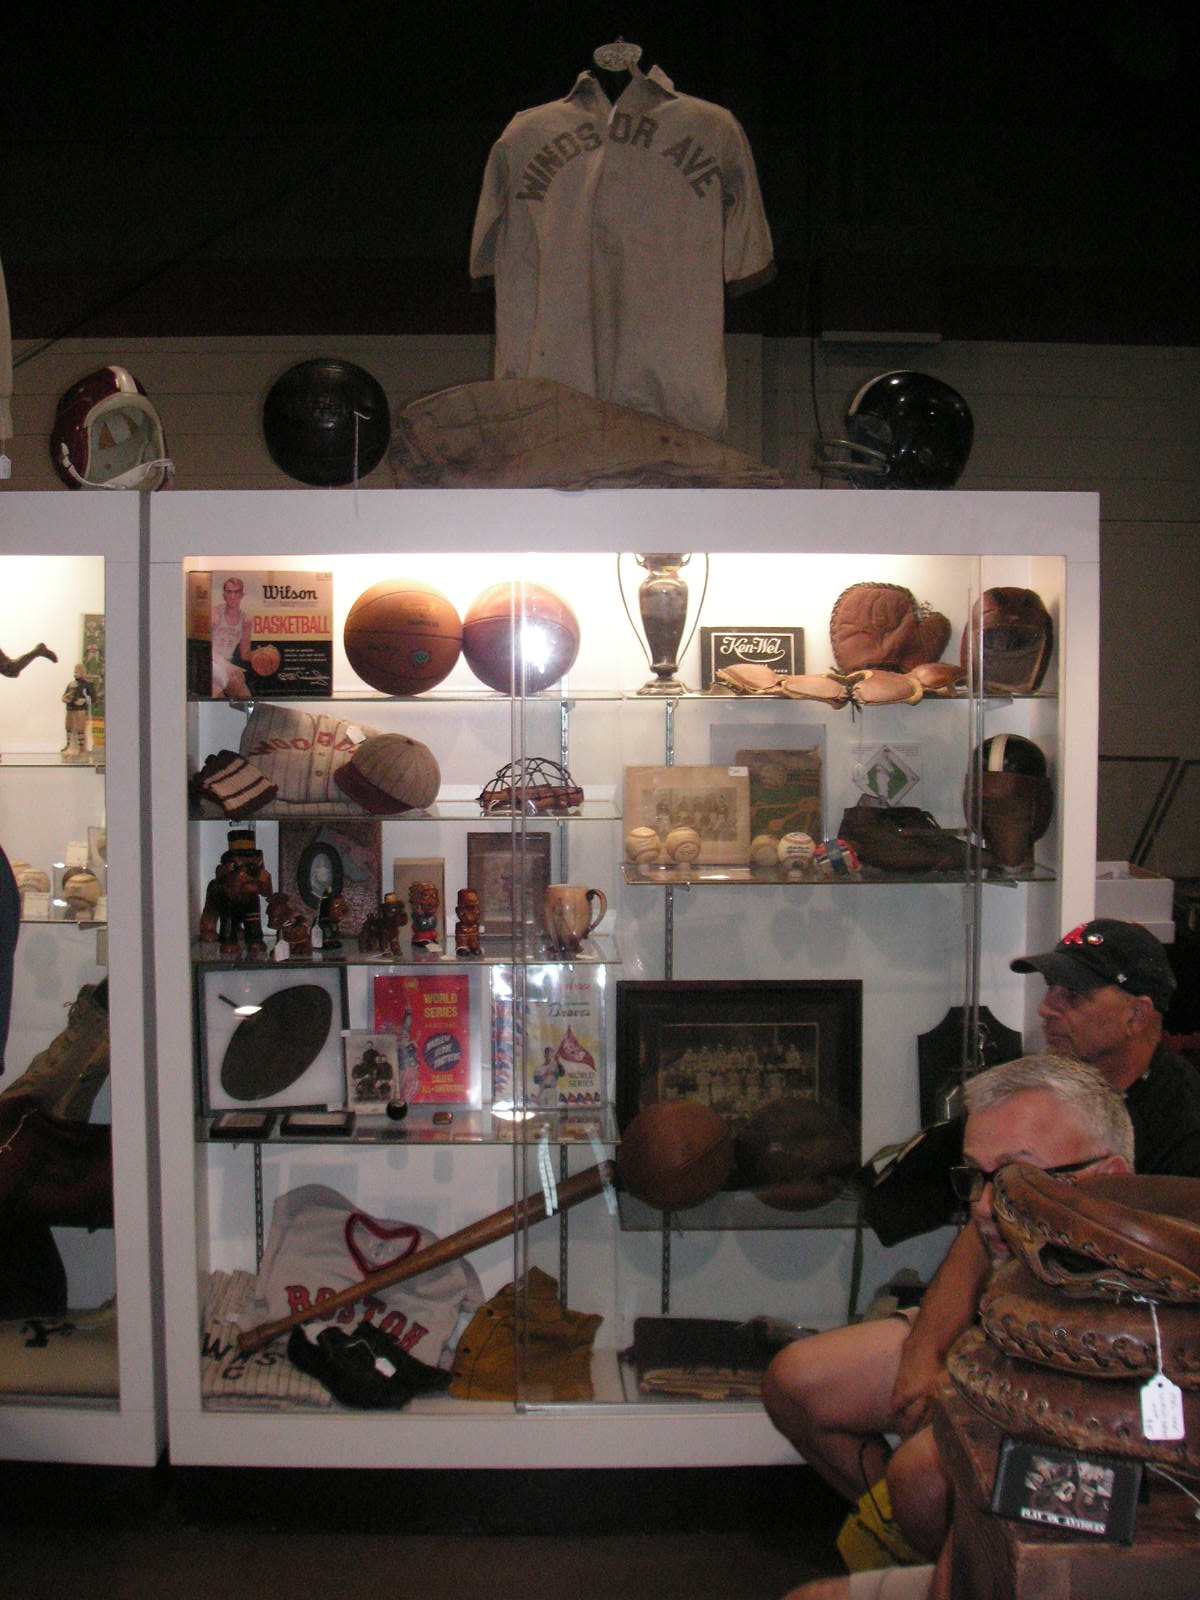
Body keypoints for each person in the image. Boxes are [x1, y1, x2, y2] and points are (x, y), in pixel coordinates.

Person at [762, 1052, 1135, 1593]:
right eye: (976, 1178)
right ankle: (902, 1535)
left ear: (1109, 1179)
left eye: (1017, 1176)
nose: (983, 1207)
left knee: (922, 1474)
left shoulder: (1138, 1323)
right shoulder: (1030, 1262)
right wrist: (928, 1356)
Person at [1011, 917, 1200, 1175]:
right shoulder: (1043, 1089)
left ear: (1136, 1016)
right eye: (1051, 988)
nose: (1045, 1009)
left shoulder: (1181, 1130)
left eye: (1074, 994)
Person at [211, 575, 253, 700]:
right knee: (215, 698)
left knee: (247, 700)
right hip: (211, 663)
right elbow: (205, 648)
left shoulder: (245, 620)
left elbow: (245, 654)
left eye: (236, 592)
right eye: (229, 592)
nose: (232, 596)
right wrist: (226, 665)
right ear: (224, 595)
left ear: (242, 595)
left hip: (227, 666)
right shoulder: (215, 613)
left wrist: (260, 655)